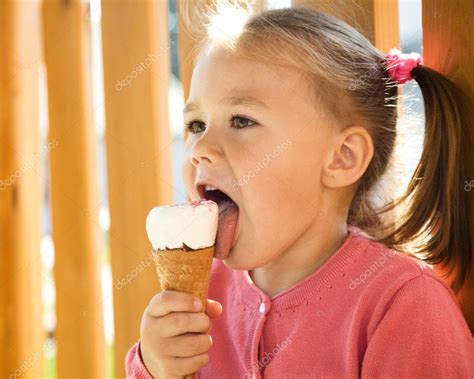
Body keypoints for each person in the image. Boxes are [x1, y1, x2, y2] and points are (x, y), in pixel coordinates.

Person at [125, 3, 474, 378]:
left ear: (342, 158)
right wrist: (155, 366)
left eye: (241, 120)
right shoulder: (200, 297)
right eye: (196, 125)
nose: (199, 150)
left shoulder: (401, 305)